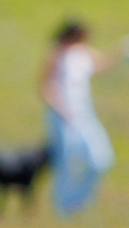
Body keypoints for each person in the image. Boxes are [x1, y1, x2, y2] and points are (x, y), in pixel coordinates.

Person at [42, 18, 114, 215]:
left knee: (100, 159)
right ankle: (63, 209)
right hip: (62, 116)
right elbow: (45, 85)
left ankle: (79, 202)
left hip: (84, 114)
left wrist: (123, 51)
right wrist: (60, 108)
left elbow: (101, 64)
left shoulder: (83, 52)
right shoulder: (56, 53)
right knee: (65, 163)